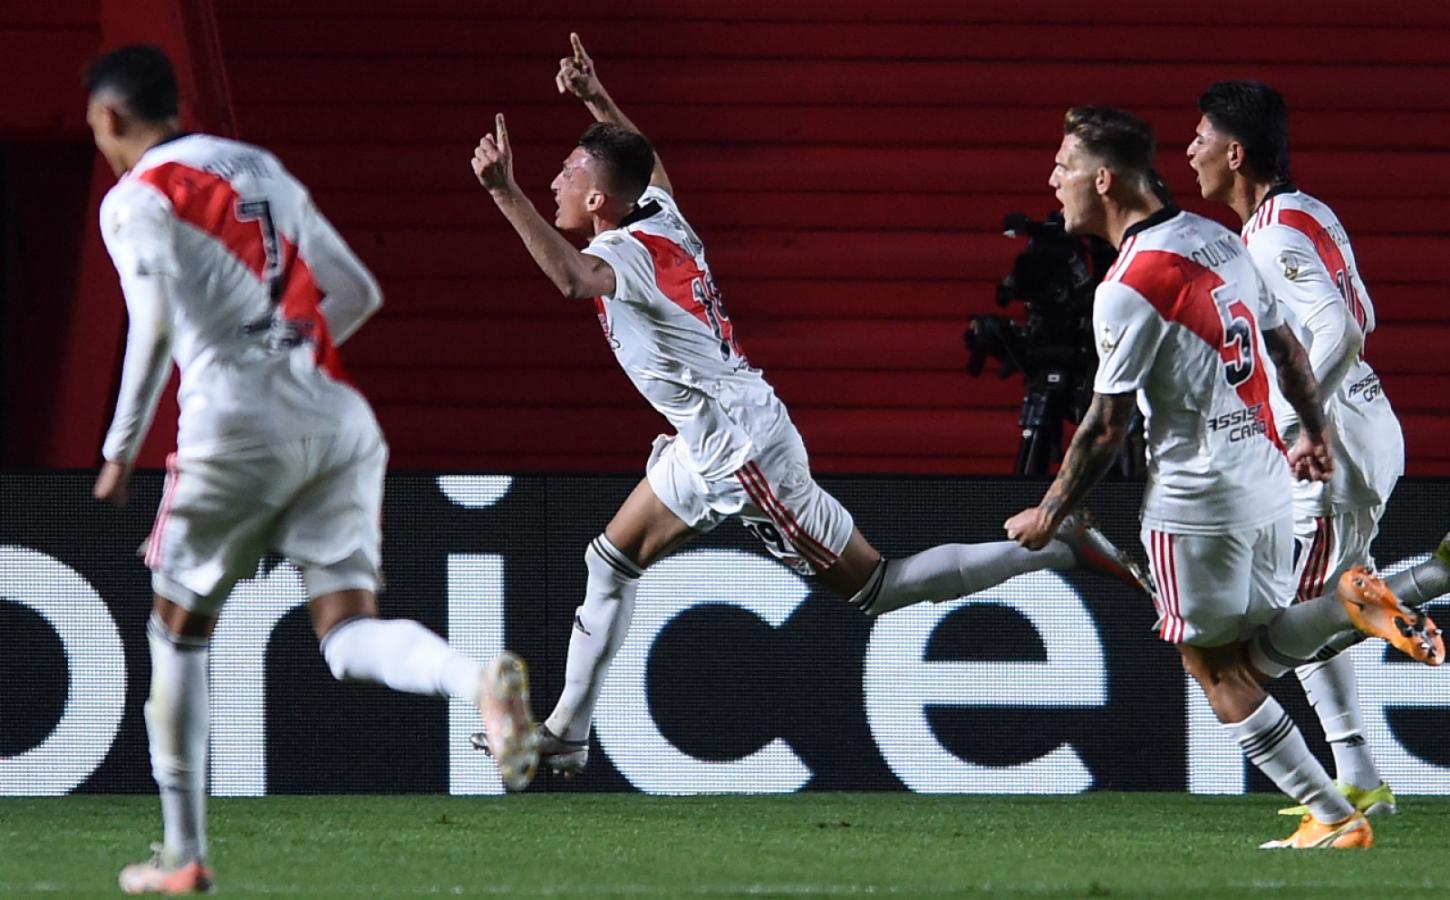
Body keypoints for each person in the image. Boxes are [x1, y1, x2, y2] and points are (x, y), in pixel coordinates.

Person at [467, 35, 1153, 775]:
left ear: (600, 200)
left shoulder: (627, 253)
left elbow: (572, 280)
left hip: (743, 453)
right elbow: (650, 167)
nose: (556, 181)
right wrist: (597, 98)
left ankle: (1059, 548)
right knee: (609, 561)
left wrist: (503, 190)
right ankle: (567, 735)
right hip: (707, 438)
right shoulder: (658, 217)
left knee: (874, 589)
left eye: (567, 172)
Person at [85, 45, 537, 894]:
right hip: (335, 415)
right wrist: (283, 359)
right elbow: (355, 292)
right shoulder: (261, 168)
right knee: (343, 635)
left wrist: (119, 452)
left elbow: (149, 325)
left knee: (176, 633)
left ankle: (182, 856)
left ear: (110, 120)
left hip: (231, 426)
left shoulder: (137, 197)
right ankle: (477, 679)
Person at [1005, 106, 1441, 850]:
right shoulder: (1228, 237)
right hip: (1280, 467)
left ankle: (1340, 805)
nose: (1053, 181)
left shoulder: (1177, 264)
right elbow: (1287, 347)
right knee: (1276, 629)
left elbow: (1109, 426)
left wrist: (1051, 510)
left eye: (1063, 166)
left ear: (1104, 180)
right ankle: (1357, 772)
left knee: (1228, 664)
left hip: (1225, 482)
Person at [1188, 79, 1450, 821]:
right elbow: (1361, 309)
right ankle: (1359, 776)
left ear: (1235, 154)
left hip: (1331, 449)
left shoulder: (1269, 235)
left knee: (1264, 640)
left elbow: (1342, 330)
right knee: (1310, 608)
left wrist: (1302, 423)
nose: (1189, 149)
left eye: (1201, 137)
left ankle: (1428, 577)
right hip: (1366, 430)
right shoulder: (1306, 213)